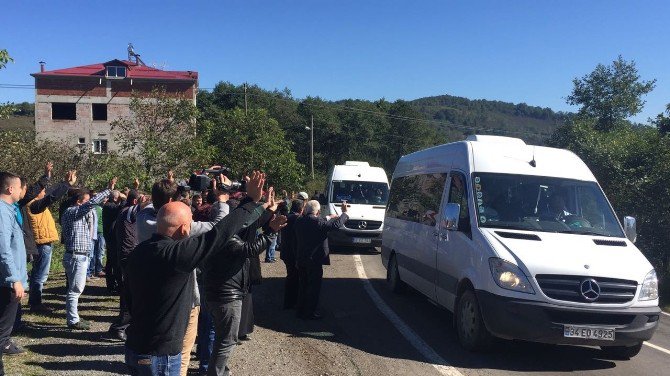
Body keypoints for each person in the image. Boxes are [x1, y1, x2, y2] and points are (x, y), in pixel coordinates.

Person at [124, 172, 266, 376]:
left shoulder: (139, 252)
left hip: (135, 348)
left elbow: (128, 297)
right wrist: (251, 201)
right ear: (184, 230)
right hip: (161, 355)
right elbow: (220, 233)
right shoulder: (177, 255)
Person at [136, 173, 231, 376]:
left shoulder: (142, 218)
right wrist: (221, 200)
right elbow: (218, 229)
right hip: (181, 297)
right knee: (180, 354)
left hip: (147, 290)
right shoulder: (182, 229)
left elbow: (150, 206)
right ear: (171, 203)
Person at [202, 187, 285, 376]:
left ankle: (217, 369)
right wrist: (271, 232)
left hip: (216, 292)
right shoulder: (227, 239)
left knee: (218, 336)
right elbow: (250, 249)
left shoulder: (213, 234)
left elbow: (252, 222)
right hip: (226, 295)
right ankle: (214, 372)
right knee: (227, 340)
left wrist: (266, 207)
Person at [60, 178, 116, 330]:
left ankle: (74, 317)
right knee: (75, 290)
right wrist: (108, 189)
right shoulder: (73, 212)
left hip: (77, 255)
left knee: (74, 289)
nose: (89, 203)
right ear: (79, 202)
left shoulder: (73, 212)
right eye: (86, 201)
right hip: (76, 256)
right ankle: (73, 320)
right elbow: (92, 204)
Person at [25, 170, 77, 313]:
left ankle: (34, 301)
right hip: (42, 243)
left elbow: (50, 193)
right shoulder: (33, 205)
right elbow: (51, 197)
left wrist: (63, 182)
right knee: (40, 275)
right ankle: (36, 304)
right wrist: (66, 184)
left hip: (43, 242)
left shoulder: (34, 203)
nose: (44, 191)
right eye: (42, 190)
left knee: (37, 273)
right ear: (37, 194)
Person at [294, 200, 348, 320]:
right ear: (318, 211)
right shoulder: (318, 222)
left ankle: (300, 310)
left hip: (301, 258)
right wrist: (344, 213)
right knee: (314, 287)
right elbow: (335, 225)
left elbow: (319, 221)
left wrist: (328, 217)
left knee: (303, 285)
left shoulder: (299, 221)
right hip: (314, 260)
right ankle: (310, 312)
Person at [0, 171, 29, 370]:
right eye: (19, 187)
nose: (21, 191)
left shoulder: (9, 210)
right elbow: (3, 248)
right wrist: (14, 278)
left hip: (9, 279)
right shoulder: (2, 211)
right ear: (10, 189)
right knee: (2, 330)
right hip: (7, 281)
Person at [107, 190, 143, 341]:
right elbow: (141, 210)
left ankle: (124, 326)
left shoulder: (125, 211)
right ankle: (120, 327)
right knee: (130, 293)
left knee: (131, 293)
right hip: (128, 256)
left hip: (128, 255)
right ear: (135, 202)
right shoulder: (128, 212)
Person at [280, 199, 305, 309]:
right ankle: (293, 302)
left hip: (286, 251)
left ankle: (289, 302)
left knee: (291, 276)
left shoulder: (286, 217)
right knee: (296, 278)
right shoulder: (298, 219)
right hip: (294, 252)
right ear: (301, 209)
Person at [102, 190, 123, 293]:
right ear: (116, 198)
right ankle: (113, 284)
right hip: (111, 238)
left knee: (111, 261)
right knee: (113, 262)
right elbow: (121, 208)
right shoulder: (109, 206)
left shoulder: (109, 205)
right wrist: (124, 199)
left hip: (110, 237)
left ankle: (111, 284)